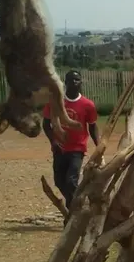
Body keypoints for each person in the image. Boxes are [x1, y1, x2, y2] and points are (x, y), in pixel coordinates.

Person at [42, 70, 100, 214]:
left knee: (71, 181)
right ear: (65, 82)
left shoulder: (88, 105)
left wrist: (100, 146)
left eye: (77, 80)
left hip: (77, 148)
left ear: (80, 83)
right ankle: (75, 204)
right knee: (59, 181)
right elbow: (46, 124)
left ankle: (75, 213)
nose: (74, 82)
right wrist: (53, 141)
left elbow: (92, 127)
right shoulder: (56, 102)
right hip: (59, 148)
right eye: (71, 80)